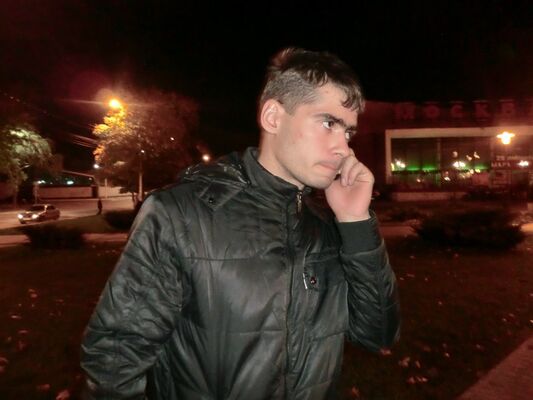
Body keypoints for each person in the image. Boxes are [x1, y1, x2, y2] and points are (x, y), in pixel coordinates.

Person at [80, 47, 400, 399]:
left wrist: (356, 221)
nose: (343, 148)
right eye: (328, 124)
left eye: (348, 133)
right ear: (273, 117)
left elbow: (378, 334)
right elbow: (114, 361)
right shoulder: (180, 215)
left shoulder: (327, 225)